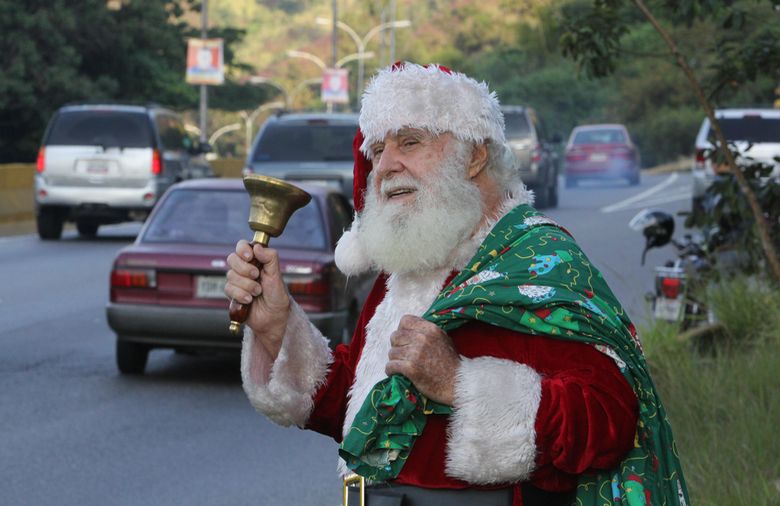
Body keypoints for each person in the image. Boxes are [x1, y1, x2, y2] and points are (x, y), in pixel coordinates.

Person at [225, 62, 689, 506]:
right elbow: (366, 409)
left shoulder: (538, 260)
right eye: (377, 149)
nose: (385, 165)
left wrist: (459, 382)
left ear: (475, 155)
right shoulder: (405, 268)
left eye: (409, 142)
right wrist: (277, 327)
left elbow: (610, 419)